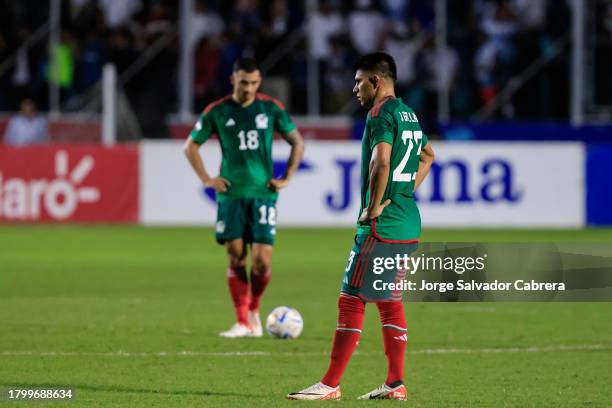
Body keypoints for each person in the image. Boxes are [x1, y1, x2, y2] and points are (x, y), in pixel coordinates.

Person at [288, 52, 435, 400]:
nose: (355, 88)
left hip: (381, 228)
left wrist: (372, 208)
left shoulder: (380, 113)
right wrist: (403, 192)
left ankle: (330, 384)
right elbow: (428, 155)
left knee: (351, 298)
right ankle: (395, 383)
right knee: (388, 300)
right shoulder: (409, 113)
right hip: (407, 224)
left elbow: (381, 162)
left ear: (376, 81)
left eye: (358, 81)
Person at [184, 57, 305, 338]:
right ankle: (242, 321)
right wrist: (206, 179)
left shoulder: (271, 108)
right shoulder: (217, 111)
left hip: (263, 194)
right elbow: (190, 147)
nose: (248, 88)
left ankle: (254, 311)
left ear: (259, 81)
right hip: (231, 194)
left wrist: (287, 177)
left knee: (262, 260)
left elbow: (297, 141)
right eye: (243, 82)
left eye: (253, 83)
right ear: (233, 80)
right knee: (236, 256)